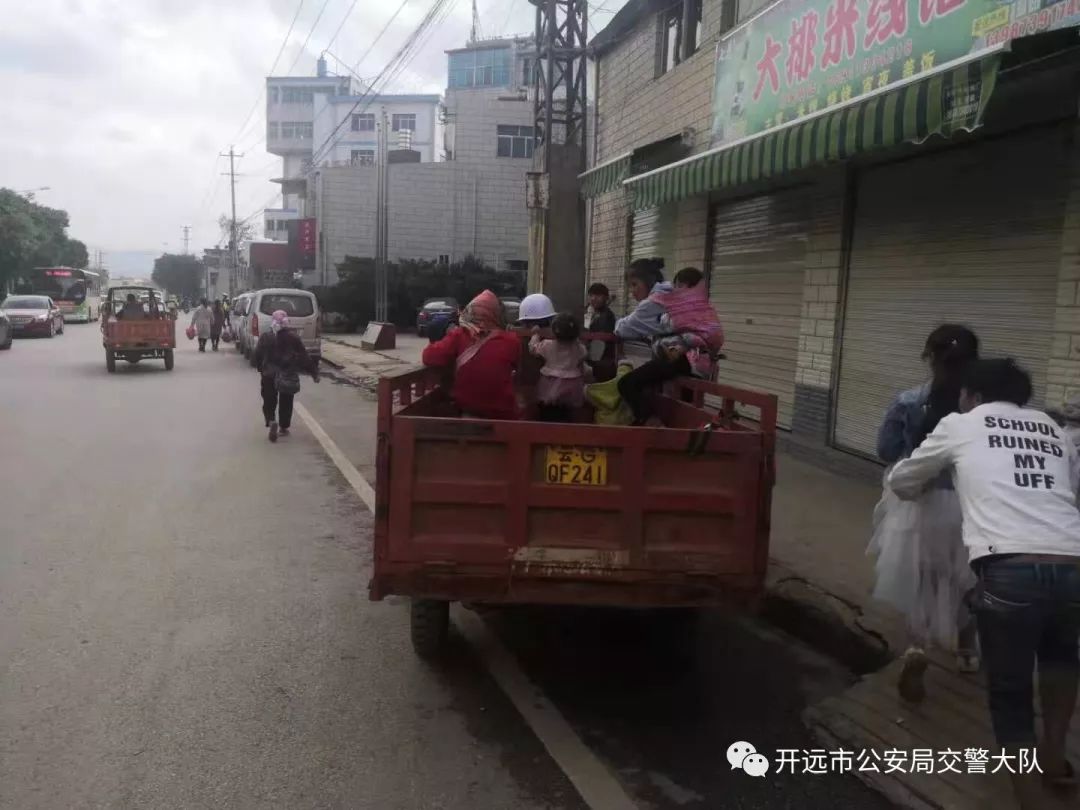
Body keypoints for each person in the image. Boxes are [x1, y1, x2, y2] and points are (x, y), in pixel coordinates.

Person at [889, 359, 1080, 810]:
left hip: (1009, 566)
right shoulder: (1052, 429)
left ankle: (1030, 799)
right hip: (1074, 561)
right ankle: (1053, 758)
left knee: (1010, 694)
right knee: (1061, 661)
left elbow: (903, 480)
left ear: (971, 394)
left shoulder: (961, 424)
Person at [870, 325, 980, 703]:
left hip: (918, 501)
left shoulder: (909, 401)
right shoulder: (985, 412)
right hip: (971, 505)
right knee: (967, 577)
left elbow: (886, 450)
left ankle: (917, 649)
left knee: (923, 577)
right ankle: (967, 651)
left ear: (929, 357)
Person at [422, 290, 520, 420]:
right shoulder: (512, 340)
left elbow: (429, 357)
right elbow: (521, 373)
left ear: (470, 311)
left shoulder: (459, 334)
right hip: (504, 415)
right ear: (497, 314)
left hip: (470, 412)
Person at [254, 310, 319, 442]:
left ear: (273, 321)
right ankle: (283, 427)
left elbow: (257, 354)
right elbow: (304, 356)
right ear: (286, 322)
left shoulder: (266, 336)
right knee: (286, 400)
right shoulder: (293, 337)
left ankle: (271, 421)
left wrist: (260, 368)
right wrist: (313, 373)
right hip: (287, 373)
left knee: (269, 399)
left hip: (269, 373)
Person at [529, 312, 587, 422]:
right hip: (572, 384)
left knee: (547, 412)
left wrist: (535, 335)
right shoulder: (579, 348)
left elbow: (533, 349)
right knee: (568, 414)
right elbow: (582, 356)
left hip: (550, 383)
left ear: (554, 331)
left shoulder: (547, 345)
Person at [584, 283, 617, 382]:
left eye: (598, 295)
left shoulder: (607, 316)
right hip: (593, 358)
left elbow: (601, 341)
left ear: (605, 298)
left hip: (602, 360)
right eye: (591, 295)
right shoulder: (590, 313)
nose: (593, 298)